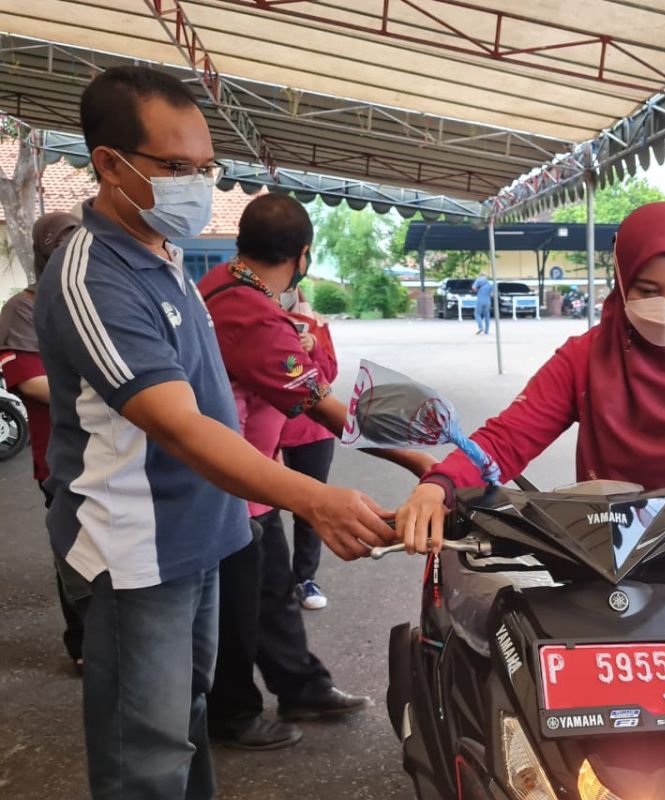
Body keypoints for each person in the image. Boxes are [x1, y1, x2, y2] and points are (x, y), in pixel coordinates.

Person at [34, 65, 403, 798]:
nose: (195, 186)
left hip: (202, 533)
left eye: (206, 168)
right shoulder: (94, 278)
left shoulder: (164, 260)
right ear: (108, 165)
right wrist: (316, 500)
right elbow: (184, 429)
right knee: (146, 748)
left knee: (185, 721)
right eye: (176, 168)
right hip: (137, 552)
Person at [394, 201, 665, 557]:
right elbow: (509, 437)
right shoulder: (585, 357)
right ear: (621, 281)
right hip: (607, 560)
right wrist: (440, 484)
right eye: (647, 291)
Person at [199, 194, 433, 750]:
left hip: (252, 486)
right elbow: (324, 406)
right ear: (303, 256)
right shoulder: (251, 313)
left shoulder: (219, 284)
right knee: (238, 606)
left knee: (271, 588)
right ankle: (231, 713)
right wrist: (418, 460)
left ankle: (302, 685)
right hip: (227, 487)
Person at [0, 211, 83, 670]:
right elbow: (31, 382)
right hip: (61, 458)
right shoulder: (23, 309)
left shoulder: (88, 298)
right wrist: (112, 393)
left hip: (112, 453)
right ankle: (85, 644)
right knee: (74, 553)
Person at [279, 286, 338, 610]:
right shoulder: (256, 314)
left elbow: (329, 373)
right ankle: (267, 584)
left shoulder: (315, 321)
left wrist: (313, 346)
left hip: (313, 430)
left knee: (309, 509)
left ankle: (304, 578)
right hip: (266, 430)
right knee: (260, 514)